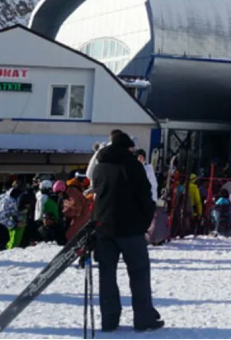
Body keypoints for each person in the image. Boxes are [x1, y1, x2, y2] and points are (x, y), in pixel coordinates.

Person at [91, 129, 163, 333]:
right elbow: (145, 196)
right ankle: (143, 318)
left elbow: (97, 193)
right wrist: (144, 223)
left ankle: (109, 319)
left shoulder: (100, 167)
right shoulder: (133, 166)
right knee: (139, 274)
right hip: (130, 229)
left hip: (103, 227)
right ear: (127, 147)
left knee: (107, 275)